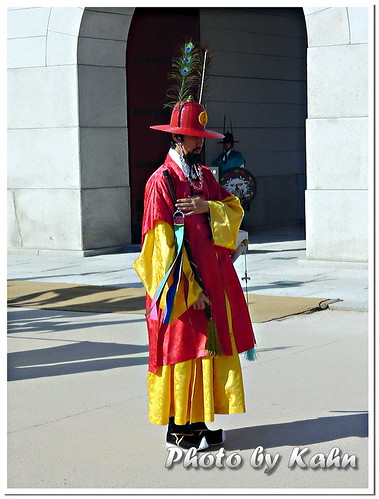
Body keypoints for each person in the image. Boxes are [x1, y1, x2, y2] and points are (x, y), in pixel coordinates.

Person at [133, 100, 256, 451]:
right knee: (182, 349)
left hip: (212, 281)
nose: (199, 143)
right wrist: (188, 289)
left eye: (201, 137)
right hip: (180, 288)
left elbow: (232, 208)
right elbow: (159, 247)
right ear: (177, 139)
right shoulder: (161, 182)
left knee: (207, 350)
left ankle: (200, 424)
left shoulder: (203, 178)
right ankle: (178, 429)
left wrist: (207, 206)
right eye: (193, 137)